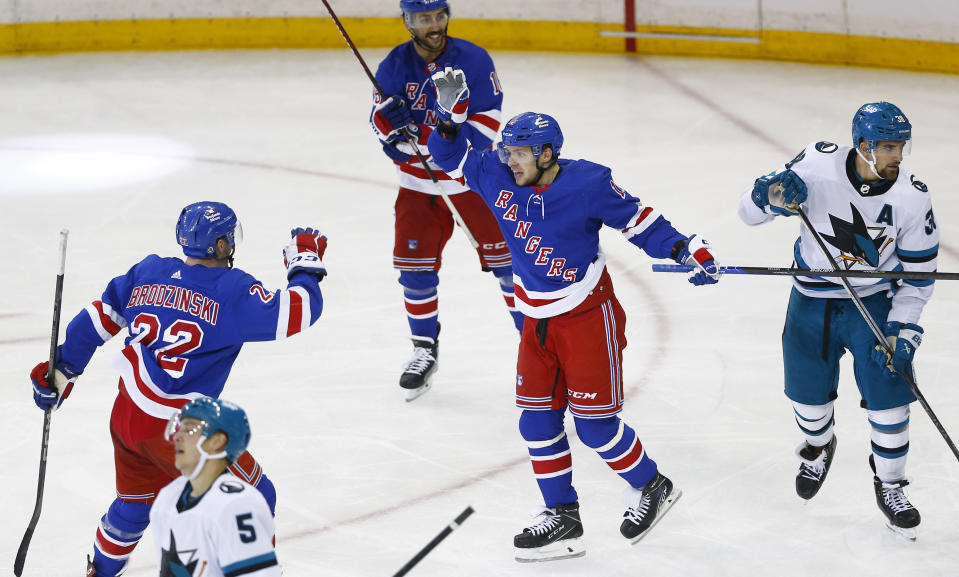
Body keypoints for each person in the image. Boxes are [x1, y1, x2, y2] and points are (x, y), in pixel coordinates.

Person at [426, 68, 722, 561]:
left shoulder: (588, 182)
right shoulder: (496, 173)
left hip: (587, 319)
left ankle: (653, 486)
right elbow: (447, 159)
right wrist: (449, 122)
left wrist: (685, 246)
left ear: (546, 154)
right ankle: (562, 515)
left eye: (520, 153)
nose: (509, 160)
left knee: (595, 428)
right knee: (536, 422)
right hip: (535, 323)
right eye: (507, 151)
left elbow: (639, 221)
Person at [29, 201, 328, 576]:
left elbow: (98, 318)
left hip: (127, 417)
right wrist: (304, 264)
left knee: (134, 504)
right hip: (178, 427)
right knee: (254, 495)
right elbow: (299, 311)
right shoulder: (232, 290)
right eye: (228, 238)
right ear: (219, 246)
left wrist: (61, 370)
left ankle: (99, 572)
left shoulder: (149, 271)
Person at [737, 102, 937, 539]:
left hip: (874, 303)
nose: (897, 158)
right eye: (887, 148)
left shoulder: (911, 195)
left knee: (891, 394)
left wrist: (903, 331)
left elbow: (919, 279)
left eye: (901, 148)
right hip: (811, 302)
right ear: (863, 146)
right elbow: (747, 215)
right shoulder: (815, 163)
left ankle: (890, 485)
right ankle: (819, 444)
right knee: (807, 399)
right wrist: (767, 196)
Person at [369, 0, 522, 399]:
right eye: (424, 19)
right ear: (407, 21)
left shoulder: (473, 59)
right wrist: (393, 134)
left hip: (475, 181)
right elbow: (380, 123)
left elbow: (488, 126)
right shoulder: (393, 66)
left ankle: (538, 345)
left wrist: (441, 136)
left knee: (510, 265)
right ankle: (424, 350)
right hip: (418, 187)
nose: (434, 25)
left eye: (439, 16)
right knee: (415, 270)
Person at [151, 396, 281, 576]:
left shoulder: (236, 506)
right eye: (179, 428)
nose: (178, 436)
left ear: (217, 442)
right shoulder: (167, 498)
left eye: (189, 429)